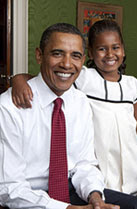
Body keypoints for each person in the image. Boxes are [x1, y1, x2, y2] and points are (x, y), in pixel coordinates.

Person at [10, 20, 137, 198]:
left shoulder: (132, 85)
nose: (110, 54)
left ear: (123, 49)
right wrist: (17, 79)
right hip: (101, 172)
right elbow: (47, 78)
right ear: (89, 53)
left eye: (115, 47)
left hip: (134, 169)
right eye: (102, 49)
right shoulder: (84, 77)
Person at [0, 23, 118, 209]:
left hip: (71, 188)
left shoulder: (80, 101)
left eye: (75, 56)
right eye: (57, 53)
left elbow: (85, 164)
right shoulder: (8, 107)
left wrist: (95, 197)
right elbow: (9, 188)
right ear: (39, 55)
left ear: (83, 60)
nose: (67, 64)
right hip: (28, 197)